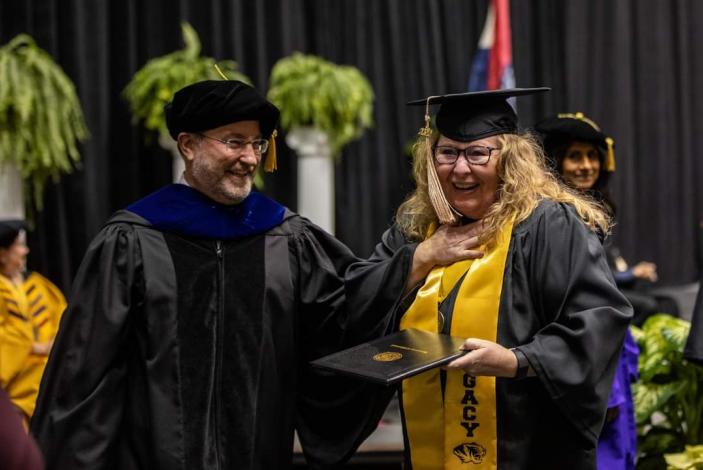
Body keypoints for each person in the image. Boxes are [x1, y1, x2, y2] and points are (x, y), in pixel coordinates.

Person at [29, 79, 479, 470]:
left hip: (259, 453)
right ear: (188, 144)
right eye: (233, 141)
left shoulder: (285, 235)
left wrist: (417, 260)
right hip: (151, 457)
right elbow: (85, 373)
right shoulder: (131, 241)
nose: (249, 157)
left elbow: (341, 311)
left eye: (257, 143)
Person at [345, 88, 633, 469]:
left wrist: (517, 360)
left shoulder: (549, 226)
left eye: (478, 153)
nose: (460, 168)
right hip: (429, 443)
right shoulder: (417, 230)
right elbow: (352, 303)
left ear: (510, 159)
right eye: (447, 153)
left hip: (526, 448)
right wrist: (418, 259)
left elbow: (598, 319)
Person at [535, 113, 643, 469]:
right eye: (575, 156)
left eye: (592, 156)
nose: (586, 166)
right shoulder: (554, 220)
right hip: (583, 355)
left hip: (607, 348)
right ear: (555, 162)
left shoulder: (590, 213)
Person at [0, 220, 66, 426]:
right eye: (18, 246)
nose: (25, 250)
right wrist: (31, 346)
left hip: (54, 379)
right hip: (17, 388)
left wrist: (58, 340)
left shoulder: (38, 283)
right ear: (2, 254)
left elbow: (64, 315)